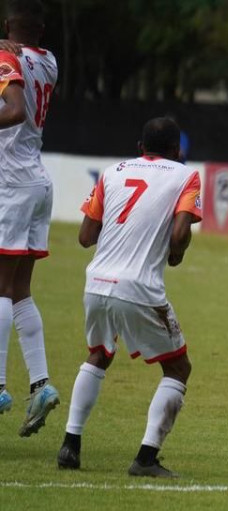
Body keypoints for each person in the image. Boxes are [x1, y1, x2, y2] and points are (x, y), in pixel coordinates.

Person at [57, 118, 202, 478]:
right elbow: (181, 231)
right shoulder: (185, 175)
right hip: (138, 286)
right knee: (178, 368)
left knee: (99, 354)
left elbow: (85, 236)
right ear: (177, 150)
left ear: (141, 146)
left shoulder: (111, 172)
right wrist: (177, 252)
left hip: (96, 281)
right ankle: (146, 458)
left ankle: (70, 446)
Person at [0, 0, 60, 437]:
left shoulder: (6, 57)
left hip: (12, 181)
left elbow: (15, 109)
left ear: (7, 26)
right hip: (39, 180)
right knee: (21, 289)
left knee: (0, 286)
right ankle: (40, 385)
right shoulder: (49, 60)